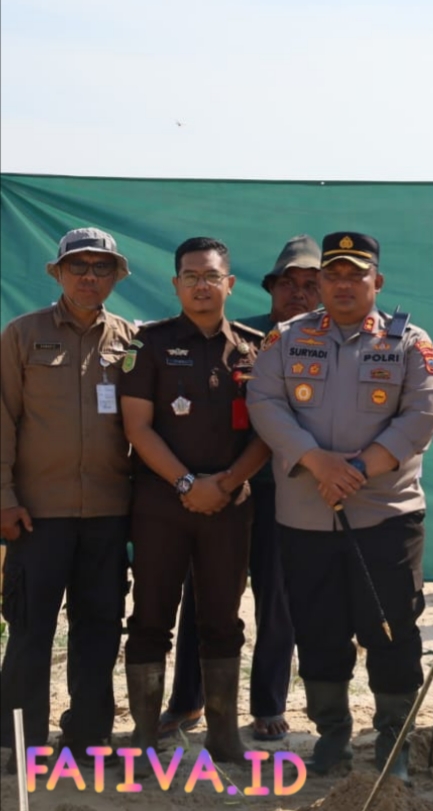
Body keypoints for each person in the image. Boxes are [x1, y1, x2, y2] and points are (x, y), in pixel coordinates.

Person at [247, 232, 433, 783]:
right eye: (331, 275)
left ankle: (393, 742)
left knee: (392, 629)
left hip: (385, 515)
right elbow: (264, 401)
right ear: (320, 283)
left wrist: (355, 469)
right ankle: (332, 736)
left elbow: (424, 411)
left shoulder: (409, 344)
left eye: (355, 275)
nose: (342, 285)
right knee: (318, 630)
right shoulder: (287, 339)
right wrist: (317, 462)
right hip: (305, 516)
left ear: (376, 282)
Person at [161, 235, 320, 743]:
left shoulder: (331, 343)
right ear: (270, 288)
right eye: (288, 283)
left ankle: (268, 704)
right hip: (224, 489)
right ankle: (187, 700)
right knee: (203, 597)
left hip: (288, 492)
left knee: (278, 600)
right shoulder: (244, 338)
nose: (298, 293)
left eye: (310, 284)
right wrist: (216, 482)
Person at [119, 237, 271, 763]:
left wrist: (224, 485)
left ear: (230, 284)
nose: (201, 285)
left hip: (230, 507)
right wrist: (188, 484)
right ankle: (144, 736)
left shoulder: (255, 349)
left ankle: (224, 736)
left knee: (223, 621)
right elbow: (137, 427)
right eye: (191, 276)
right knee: (150, 618)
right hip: (161, 506)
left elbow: (268, 432)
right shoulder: (149, 344)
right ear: (176, 284)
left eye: (211, 276)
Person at [0, 228, 137, 770]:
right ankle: (21, 746)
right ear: (57, 273)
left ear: (116, 277)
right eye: (77, 266)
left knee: (100, 631)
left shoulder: (131, 340)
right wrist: (3, 496)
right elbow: (2, 418)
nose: (88, 276)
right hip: (37, 515)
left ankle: (88, 739)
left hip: (108, 513)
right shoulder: (22, 335)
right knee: (30, 631)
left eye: (101, 267)